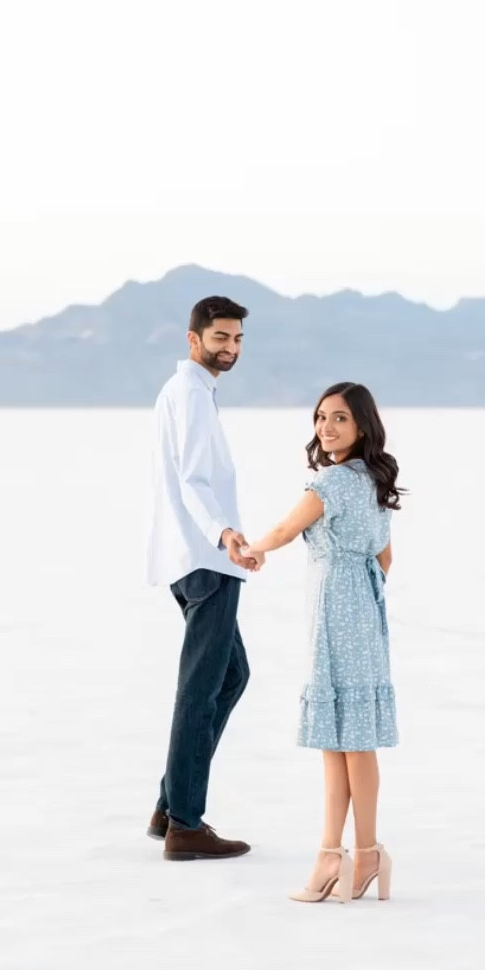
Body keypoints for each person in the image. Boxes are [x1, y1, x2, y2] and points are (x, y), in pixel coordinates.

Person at [243, 382, 402, 903]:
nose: (325, 428)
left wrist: (252, 549)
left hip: (336, 610)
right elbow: (385, 559)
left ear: (361, 426)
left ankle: (350, 853)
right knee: (345, 741)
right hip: (365, 608)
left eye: (338, 419)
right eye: (320, 418)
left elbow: (288, 528)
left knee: (348, 742)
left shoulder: (332, 482)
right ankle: (347, 853)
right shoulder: (374, 482)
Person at [145, 295, 262, 861]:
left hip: (192, 557)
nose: (230, 348)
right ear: (193, 340)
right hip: (206, 559)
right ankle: (186, 826)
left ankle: (171, 804)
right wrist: (225, 534)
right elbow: (193, 479)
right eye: (220, 338)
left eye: (237, 338)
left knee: (231, 675)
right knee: (200, 691)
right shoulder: (190, 393)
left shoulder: (190, 393)